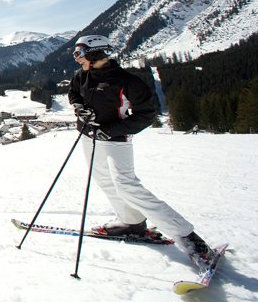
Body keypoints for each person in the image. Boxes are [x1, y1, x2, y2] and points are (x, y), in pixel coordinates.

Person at [68, 34, 214, 269]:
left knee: (127, 185)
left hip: (116, 140)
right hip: (88, 137)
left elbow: (146, 114)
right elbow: (74, 93)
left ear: (95, 53)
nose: (76, 59)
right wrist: (79, 108)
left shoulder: (128, 82)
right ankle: (132, 222)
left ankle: (190, 238)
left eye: (79, 54)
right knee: (105, 181)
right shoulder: (82, 76)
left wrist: (111, 130)